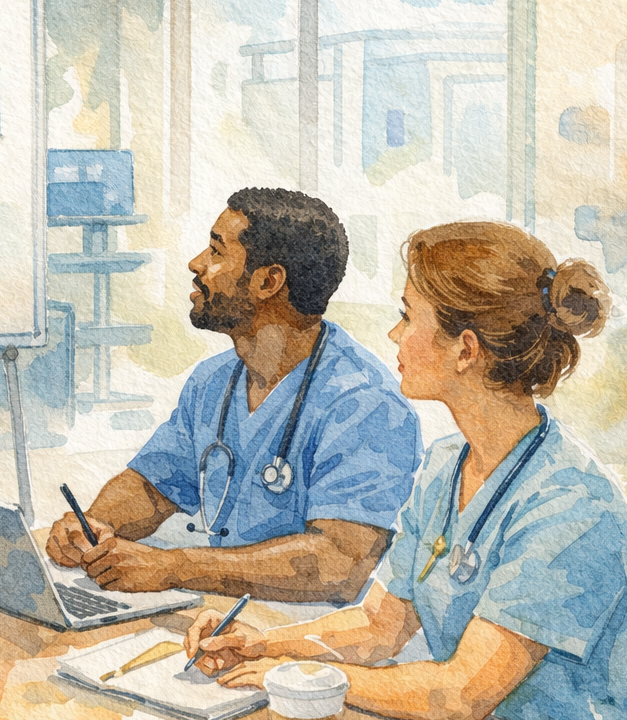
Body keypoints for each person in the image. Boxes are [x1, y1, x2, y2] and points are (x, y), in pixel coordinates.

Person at [183, 221, 627, 720]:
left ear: (466, 350)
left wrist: (296, 675)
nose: (393, 335)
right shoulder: (444, 466)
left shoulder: (572, 504)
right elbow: (380, 626)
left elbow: (462, 694)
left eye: (408, 316)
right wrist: (264, 645)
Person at [47, 188, 422, 605]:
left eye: (215, 251)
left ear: (267, 281)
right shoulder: (214, 382)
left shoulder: (365, 403)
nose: (196, 264)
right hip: (218, 614)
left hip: (304, 634)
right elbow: (153, 487)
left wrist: (175, 568)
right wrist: (97, 522)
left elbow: (339, 563)